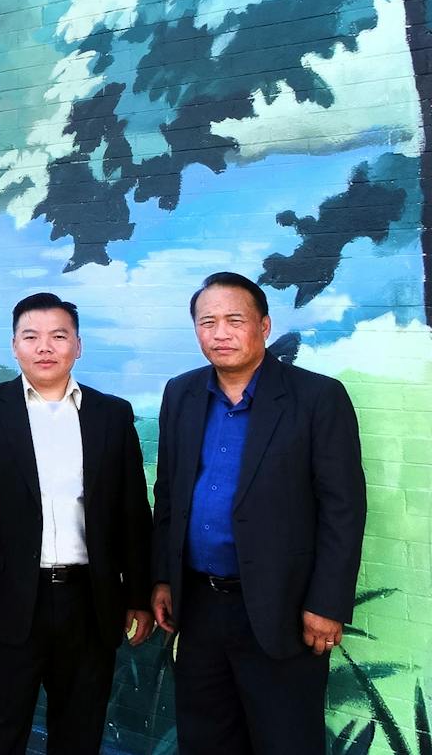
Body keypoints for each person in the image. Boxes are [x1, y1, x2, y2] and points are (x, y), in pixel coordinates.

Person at [151, 272, 366, 754]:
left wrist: (328, 603)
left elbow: (343, 508)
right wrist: (164, 577)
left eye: (235, 320)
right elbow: (169, 495)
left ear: (264, 326)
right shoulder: (181, 394)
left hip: (281, 608)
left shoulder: (316, 398)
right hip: (200, 605)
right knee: (206, 737)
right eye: (208, 322)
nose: (220, 333)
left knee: (285, 739)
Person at [0, 292, 153, 755]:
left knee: (79, 730)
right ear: (14, 346)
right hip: (8, 600)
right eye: (31, 336)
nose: (45, 347)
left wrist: (136, 594)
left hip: (89, 602)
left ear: (78, 345)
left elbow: (133, 511)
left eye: (59, 336)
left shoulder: (111, 415)